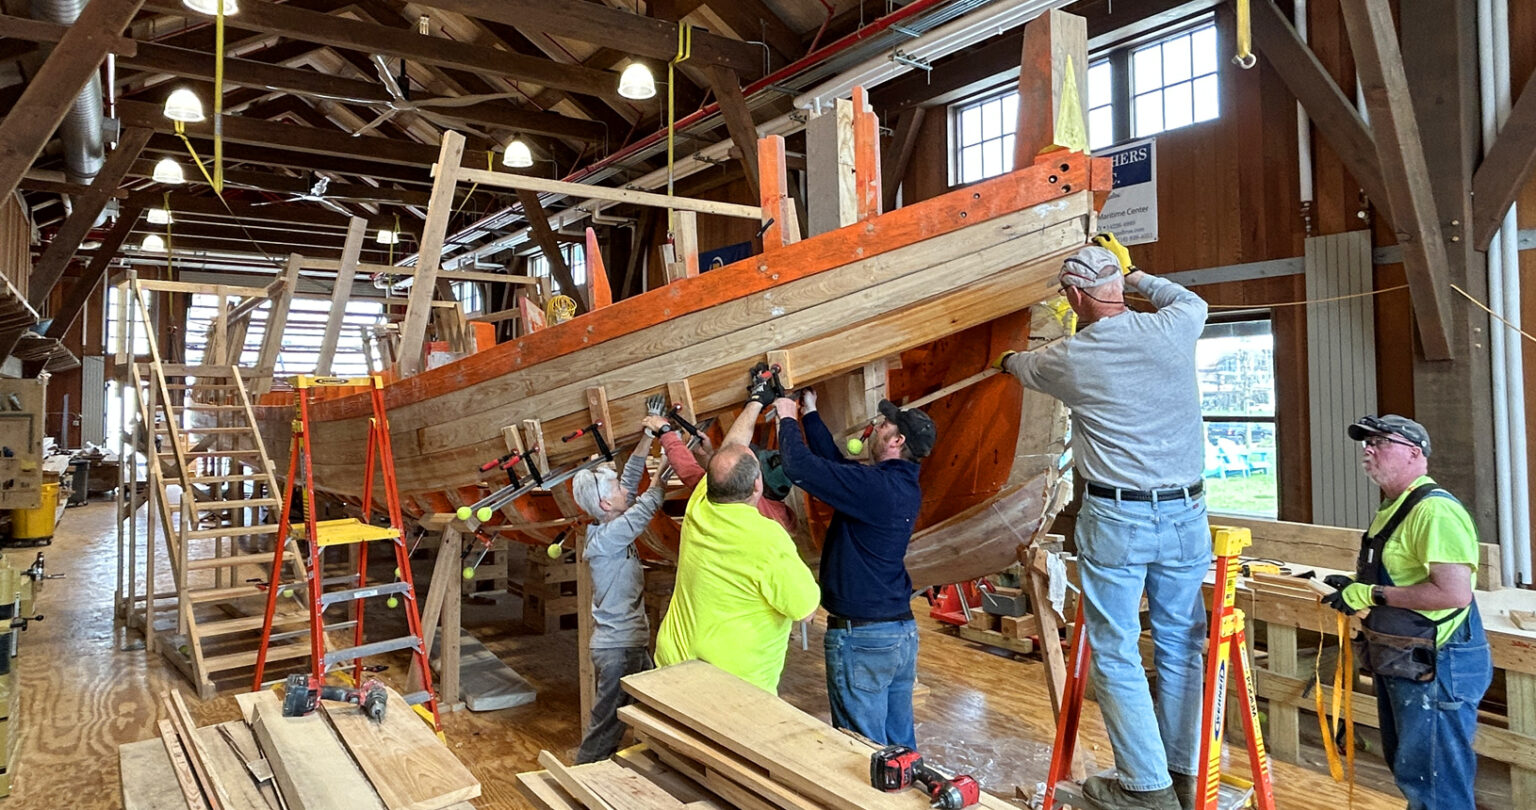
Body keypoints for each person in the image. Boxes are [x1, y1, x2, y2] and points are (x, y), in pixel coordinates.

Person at [995, 235, 1208, 810]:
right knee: (1182, 646)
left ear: (1072, 295)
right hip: (1189, 515)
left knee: (1115, 649)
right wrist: (1136, 275)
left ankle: (1146, 785)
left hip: (1120, 518)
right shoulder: (1175, 327)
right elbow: (1191, 301)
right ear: (1118, 285)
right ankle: (1185, 773)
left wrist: (1002, 358)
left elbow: (1020, 366)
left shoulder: (1073, 358)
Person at [1320, 414, 1490, 810]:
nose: (1368, 449)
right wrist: (1352, 584)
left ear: (1414, 453)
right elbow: (1400, 573)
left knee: (1435, 784)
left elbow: (1454, 592)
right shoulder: (1395, 507)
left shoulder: (1434, 511)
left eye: (1380, 442)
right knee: (1413, 771)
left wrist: (1372, 594)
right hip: (1405, 659)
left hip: (1438, 663)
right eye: (1366, 442)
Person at [772, 389, 936, 749]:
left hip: (864, 638)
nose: (876, 428)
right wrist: (810, 413)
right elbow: (835, 467)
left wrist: (785, 416)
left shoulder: (875, 487)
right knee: (898, 748)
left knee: (862, 752)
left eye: (884, 425)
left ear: (897, 440)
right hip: (898, 633)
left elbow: (800, 468)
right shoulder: (898, 484)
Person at [653, 414, 820, 693]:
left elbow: (697, 467)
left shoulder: (699, 504)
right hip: (733, 687)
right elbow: (806, 610)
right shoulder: (769, 538)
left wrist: (667, 433)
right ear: (758, 486)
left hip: (674, 665)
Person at [570, 433, 667, 764]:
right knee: (606, 728)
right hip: (618, 649)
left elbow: (628, 483)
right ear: (606, 505)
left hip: (629, 644)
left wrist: (648, 438)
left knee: (656, 706)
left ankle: (661, 765)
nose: (627, 490)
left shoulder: (608, 522)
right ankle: (582, 784)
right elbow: (645, 509)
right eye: (618, 490)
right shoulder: (608, 538)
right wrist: (661, 474)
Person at [642, 377, 796, 533]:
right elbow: (726, 481)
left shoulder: (739, 505)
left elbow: (690, 472)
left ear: (756, 484)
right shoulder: (779, 516)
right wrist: (709, 457)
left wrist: (665, 433)